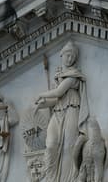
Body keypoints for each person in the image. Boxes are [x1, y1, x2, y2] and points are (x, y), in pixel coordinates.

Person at [34, 41, 88, 182]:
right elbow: (55, 100)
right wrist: (42, 104)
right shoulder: (58, 77)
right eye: (67, 55)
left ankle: (68, 179)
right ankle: (51, 178)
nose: (70, 59)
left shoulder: (74, 75)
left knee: (68, 148)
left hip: (71, 111)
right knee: (51, 145)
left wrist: (42, 94)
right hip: (57, 113)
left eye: (73, 57)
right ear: (61, 55)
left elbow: (58, 92)